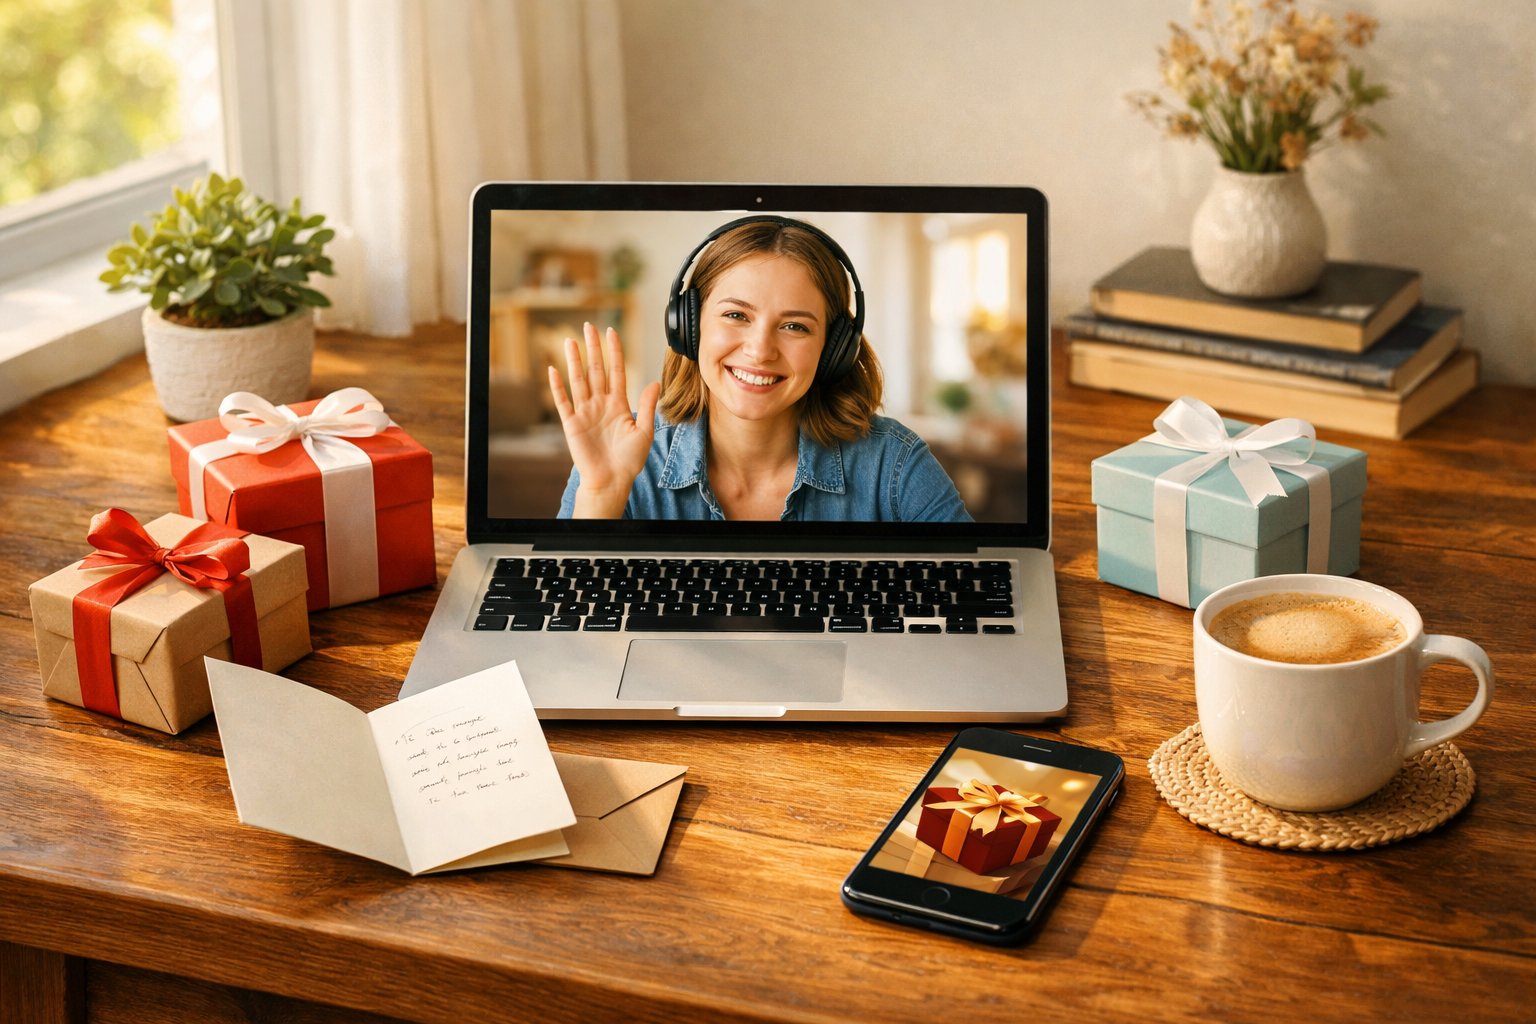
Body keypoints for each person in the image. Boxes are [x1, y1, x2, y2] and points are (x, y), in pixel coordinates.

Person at [547, 217, 971, 522]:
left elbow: (968, 607)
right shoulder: (625, 456)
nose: (760, 350)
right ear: (688, 326)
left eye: (794, 326)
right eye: (736, 315)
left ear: (834, 347)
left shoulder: (893, 465)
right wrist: (602, 494)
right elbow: (565, 639)